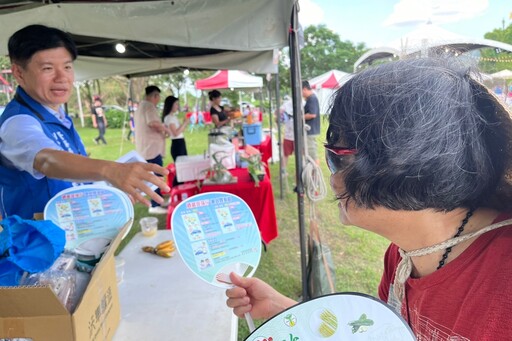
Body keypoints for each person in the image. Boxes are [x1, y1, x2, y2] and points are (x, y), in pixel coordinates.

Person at [226, 57, 512, 339]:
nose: (331, 176)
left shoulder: (503, 279)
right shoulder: (404, 255)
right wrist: (289, 312)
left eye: (337, 157)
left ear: (408, 162)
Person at [0, 24, 169, 220]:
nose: (62, 78)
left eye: (67, 67)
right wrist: (111, 171)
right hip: (38, 245)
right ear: (19, 73)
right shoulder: (17, 123)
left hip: (77, 238)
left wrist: (109, 191)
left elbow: (72, 180)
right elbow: (46, 160)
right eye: (48, 68)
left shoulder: (58, 116)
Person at [134, 85, 169, 215]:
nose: (158, 100)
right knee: (156, 177)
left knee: (153, 177)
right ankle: (155, 205)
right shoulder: (148, 106)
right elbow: (153, 123)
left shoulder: (140, 107)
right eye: (158, 97)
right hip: (151, 149)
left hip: (146, 148)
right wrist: (165, 129)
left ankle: (158, 201)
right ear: (155, 96)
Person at [162, 95, 189, 186]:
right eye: (176, 104)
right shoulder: (169, 118)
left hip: (180, 142)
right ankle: (176, 188)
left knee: (183, 167)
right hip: (177, 144)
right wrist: (185, 123)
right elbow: (175, 133)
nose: (177, 106)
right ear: (171, 105)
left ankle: (180, 188)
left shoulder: (173, 117)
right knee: (181, 169)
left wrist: (183, 124)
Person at [302, 80, 320, 164]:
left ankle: (315, 173)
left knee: (312, 153)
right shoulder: (310, 99)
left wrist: (300, 117)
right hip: (309, 130)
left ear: (304, 89)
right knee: (308, 152)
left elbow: (312, 114)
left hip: (310, 130)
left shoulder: (312, 99)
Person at [276, 95, 294, 175]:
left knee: (301, 155)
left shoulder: (303, 103)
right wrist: (279, 112)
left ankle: (301, 171)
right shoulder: (287, 104)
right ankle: (283, 171)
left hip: (299, 135)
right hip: (288, 134)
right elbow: (277, 113)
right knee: (285, 153)